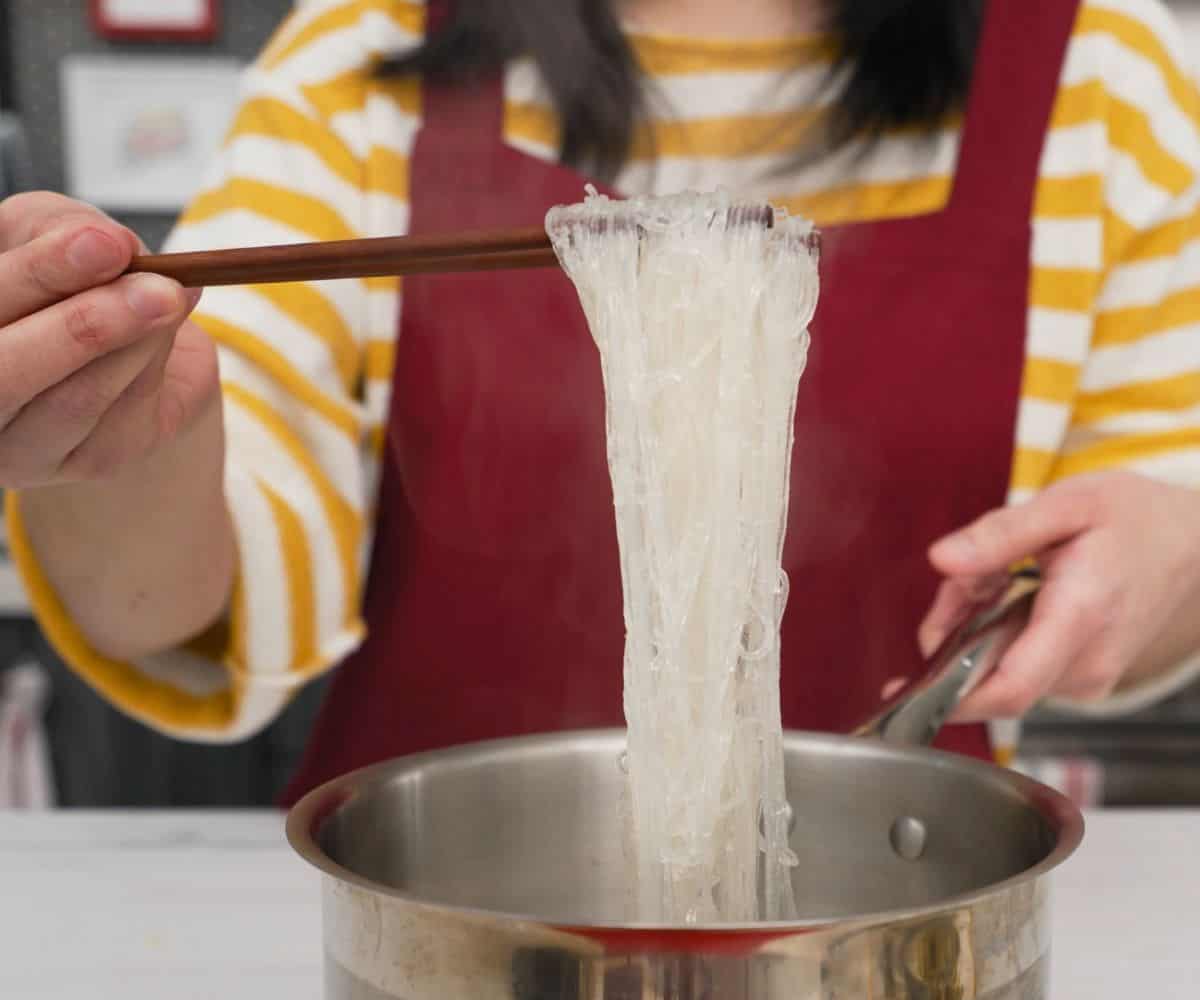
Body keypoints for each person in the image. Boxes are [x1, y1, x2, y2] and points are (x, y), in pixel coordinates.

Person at [3, 0, 1200, 803]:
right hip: (453, 904)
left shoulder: (1100, 70)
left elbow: (1168, 507)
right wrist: (113, 434)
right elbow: (190, 574)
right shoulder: (373, 45)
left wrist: (1166, 545)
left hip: (904, 893)